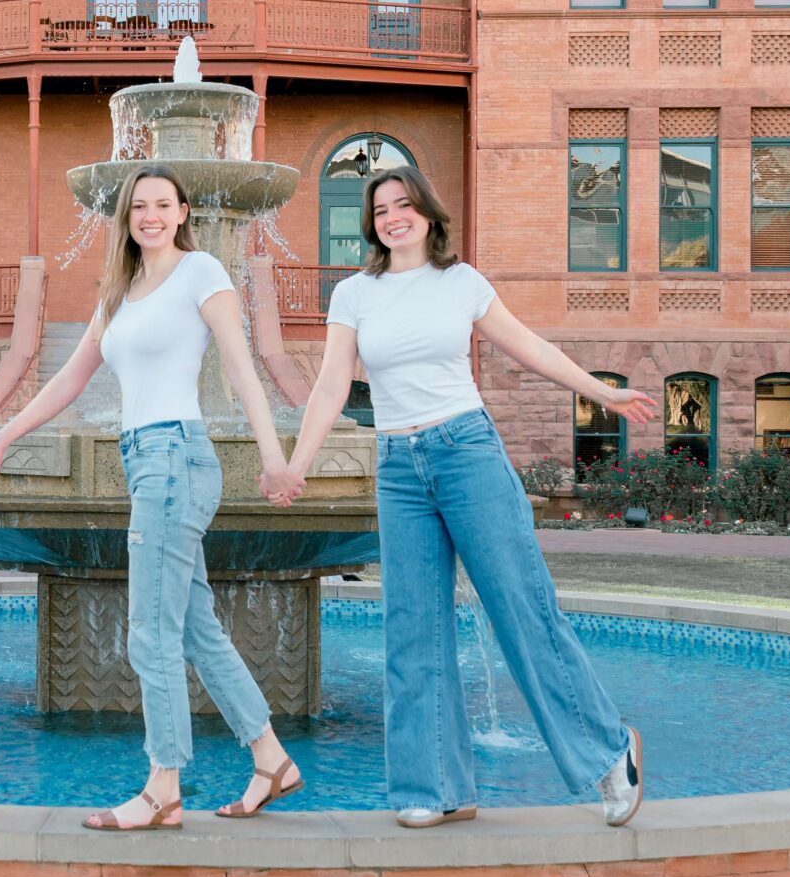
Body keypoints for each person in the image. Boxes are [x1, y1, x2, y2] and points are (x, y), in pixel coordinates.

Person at [270, 164, 658, 828]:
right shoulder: (355, 293)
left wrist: (602, 391)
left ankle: (608, 751)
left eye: (404, 204)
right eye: (381, 208)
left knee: (521, 606)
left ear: (427, 212)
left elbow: (527, 347)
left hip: (467, 452)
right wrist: (296, 464)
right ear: (372, 222)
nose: (393, 216)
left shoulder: (462, 281)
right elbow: (333, 382)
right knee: (411, 628)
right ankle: (435, 785)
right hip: (397, 463)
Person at [0, 165, 302, 830]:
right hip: (145, 458)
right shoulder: (119, 292)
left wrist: (275, 456)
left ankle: (163, 786)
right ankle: (271, 758)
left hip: (176, 456)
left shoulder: (202, 273)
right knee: (195, 627)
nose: (149, 215)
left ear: (182, 211)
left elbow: (241, 367)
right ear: (127, 217)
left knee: (150, 632)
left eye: (162, 204)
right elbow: (66, 382)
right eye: (138, 205)